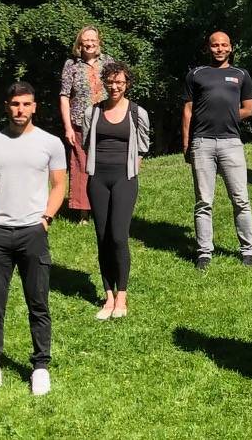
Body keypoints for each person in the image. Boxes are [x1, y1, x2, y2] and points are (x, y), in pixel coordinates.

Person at [0, 82, 68, 398]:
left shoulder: (51, 143)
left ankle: (40, 367)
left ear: (34, 106)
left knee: (38, 303)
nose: (20, 110)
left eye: (26, 104)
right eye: (14, 104)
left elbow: (59, 185)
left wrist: (46, 219)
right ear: (6, 106)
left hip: (32, 233)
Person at [184, 31, 252, 270]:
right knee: (204, 201)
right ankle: (204, 252)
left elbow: (248, 108)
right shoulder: (196, 74)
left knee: (241, 200)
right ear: (209, 48)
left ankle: (248, 251)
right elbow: (188, 111)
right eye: (215, 45)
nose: (219, 49)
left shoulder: (241, 75)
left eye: (224, 45)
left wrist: (228, 116)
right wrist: (187, 143)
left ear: (231, 48)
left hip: (231, 143)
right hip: (202, 143)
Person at [85, 62, 150, 319]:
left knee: (119, 237)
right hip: (97, 178)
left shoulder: (137, 112)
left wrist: (132, 172)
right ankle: (108, 295)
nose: (115, 87)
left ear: (127, 84)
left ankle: (122, 295)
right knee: (102, 237)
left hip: (124, 178)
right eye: (110, 82)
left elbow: (143, 147)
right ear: (104, 83)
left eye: (120, 82)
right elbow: (85, 141)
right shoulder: (93, 112)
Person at [57, 26, 110, 218]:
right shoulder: (71, 65)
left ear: (99, 42)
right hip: (80, 123)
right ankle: (83, 213)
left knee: (104, 164)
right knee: (81, 166)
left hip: (105, 121)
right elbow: (64, 96)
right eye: (86, 40)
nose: (90, 43)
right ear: (80, 43)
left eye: (93, 40)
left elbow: (118, 89)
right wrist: (68, 127)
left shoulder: (108, 62)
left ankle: (103, 206)